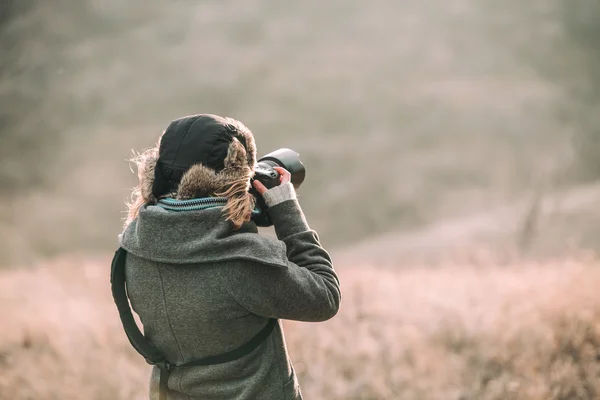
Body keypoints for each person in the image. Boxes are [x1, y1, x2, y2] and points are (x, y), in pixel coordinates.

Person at [118, 114, 341, 400]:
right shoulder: (242, 262)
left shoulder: (134, 245)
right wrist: (285, 208)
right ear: (239, 179)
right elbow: (325, 297)